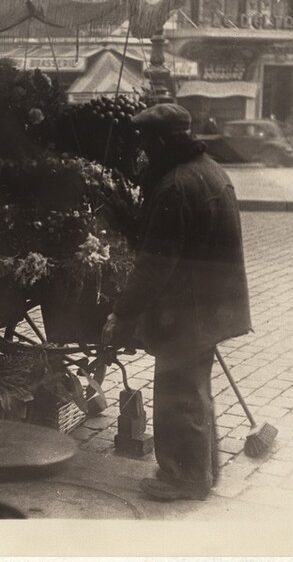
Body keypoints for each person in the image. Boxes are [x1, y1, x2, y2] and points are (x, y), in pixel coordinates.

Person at [102, 103, 252, 501]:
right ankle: (202, 470)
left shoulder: (174, 184)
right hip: (211, 303)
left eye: (149, 142)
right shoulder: (210, 170)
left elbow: (155, 264)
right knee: (194, 388)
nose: (145, 150)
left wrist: (123, 311)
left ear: (166, 140)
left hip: (188, 309)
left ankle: (184, 477)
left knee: (177, 392)